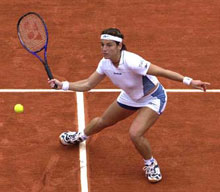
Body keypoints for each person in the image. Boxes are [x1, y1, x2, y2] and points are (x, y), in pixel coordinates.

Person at [48, 28, 210, 183]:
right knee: (103, 121)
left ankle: (150, 164)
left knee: (135, 133)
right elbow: (88, 84)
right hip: (130, 97)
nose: (104, 49)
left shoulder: (133, 61)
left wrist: (189, 81)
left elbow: (161, 71)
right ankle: (80, 136)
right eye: (102, 45)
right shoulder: (105, 63)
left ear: (119, 46)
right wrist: (63, 85)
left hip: (152, 98)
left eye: (109, 45)